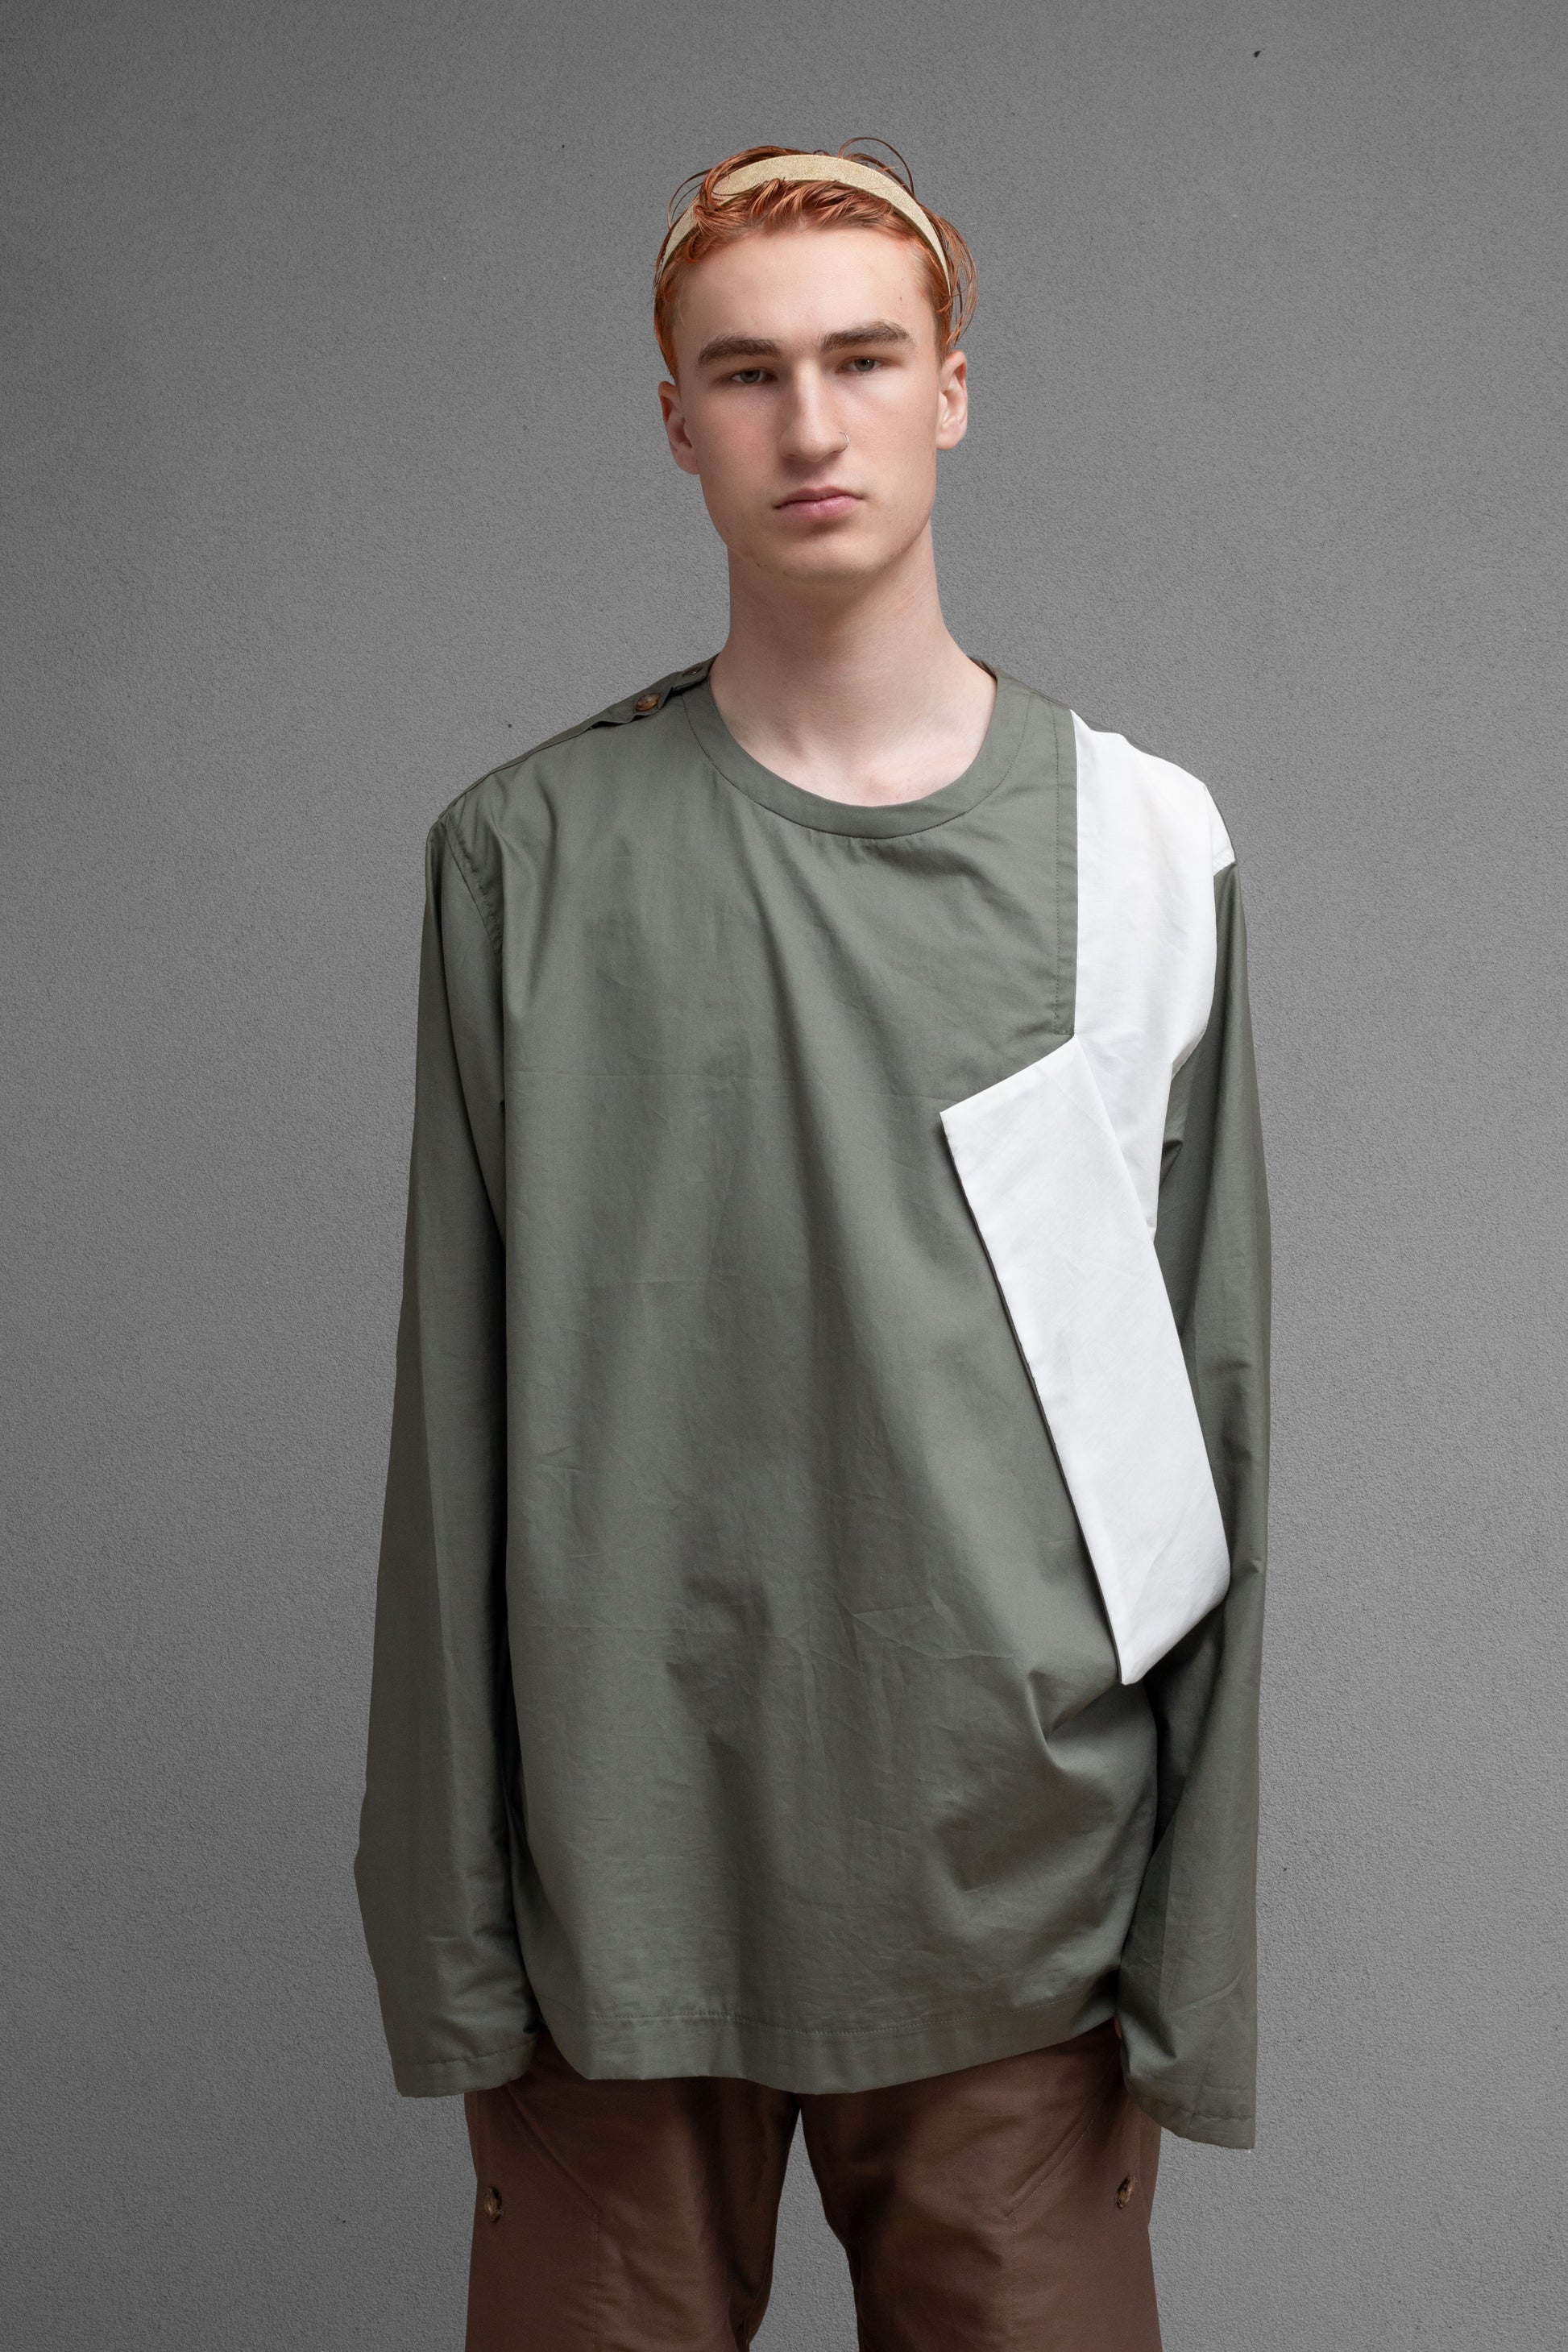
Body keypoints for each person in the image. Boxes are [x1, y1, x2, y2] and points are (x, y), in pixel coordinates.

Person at [354, 141, 1271, 2351]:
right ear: (674, 417)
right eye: (747, 371)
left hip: (1015, 1911)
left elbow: (1206, 1436)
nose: (810, 422)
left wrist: (1189, 1974)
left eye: (864, 359)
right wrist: (457, 1960)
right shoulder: (523, 862)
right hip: (617, 1912)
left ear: (952, 388)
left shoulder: (1140, 850)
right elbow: (453, 1439)